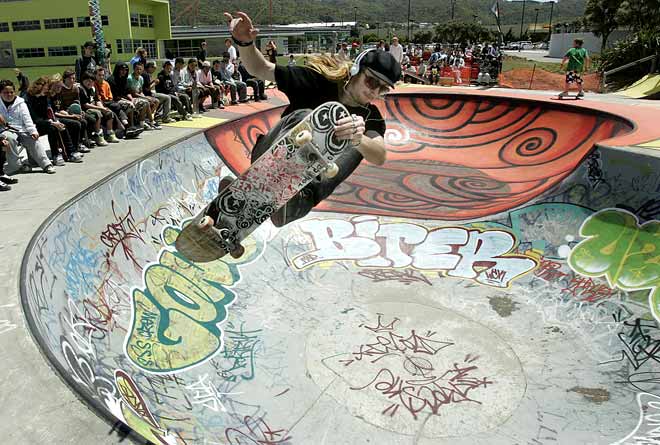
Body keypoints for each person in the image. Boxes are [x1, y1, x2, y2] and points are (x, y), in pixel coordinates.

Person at [220, 11, 398, 256]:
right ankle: (270, 187)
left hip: (299, 193)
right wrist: (245, 43)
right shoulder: (317, 81)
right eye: (370, 82)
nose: (374, 92)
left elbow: (379, 155)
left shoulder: (371, 117)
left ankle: (289, 200)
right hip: (269, 156)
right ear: (357, 70)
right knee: (309, 116)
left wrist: (358, 138)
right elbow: (260, 68)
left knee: (357, 145)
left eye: (382, 89)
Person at [0, 79, 54, 177]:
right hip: (5, 130)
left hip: (21, 129)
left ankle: (46, 164)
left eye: (11, 92)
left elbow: (27, 118)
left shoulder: (20, 102)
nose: (9, 94)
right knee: (9, 137)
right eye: (5, 92)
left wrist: (33, 131)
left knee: (33, 139)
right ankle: (18, 166)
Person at [26, 77, 82, 164]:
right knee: (53, 128)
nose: (47, 91)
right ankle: (56, 154)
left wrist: (55, 122)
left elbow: (48, 114)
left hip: (44, 122)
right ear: (39, 88)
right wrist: (52, 122)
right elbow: (35, 119)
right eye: (46, 89)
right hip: (31, 126)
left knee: (61, 126)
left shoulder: (44, 97)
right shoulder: (28, 99)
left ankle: (71, 151)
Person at [79, 72, 116, 144]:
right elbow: (85, 105)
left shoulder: (93, 88)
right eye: (87, 81)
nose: (90, 83)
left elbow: (97, 100)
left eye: (92, 81)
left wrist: (103, 108)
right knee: (98, 113)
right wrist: (100, 109)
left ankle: (109, 134)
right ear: (83, 80)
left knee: (109, 112)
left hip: (94, 107)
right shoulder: (81, 89)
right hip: (85, 109)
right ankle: (98, 135)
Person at [128, 62, 161, 129]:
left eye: (140, 69)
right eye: (137, 69)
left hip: (140, 96)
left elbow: (141, 91)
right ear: (134, 69)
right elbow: (134, 93)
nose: (139, 71)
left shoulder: (141, 78)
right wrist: (145, 98)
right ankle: (148, 121)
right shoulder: (130, 78)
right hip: (133, 97)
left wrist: (146, 97)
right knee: (146, 102)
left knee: (156, 101)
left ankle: (147, 119)